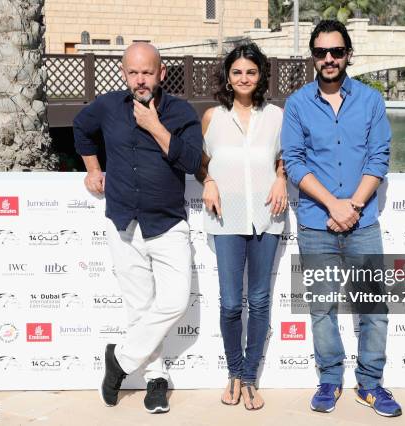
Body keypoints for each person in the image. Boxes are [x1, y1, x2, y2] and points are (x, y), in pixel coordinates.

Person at [281, 20, 402, 417]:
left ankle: (371, 385)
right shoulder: (298, 104)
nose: (328, 59)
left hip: (362, 224)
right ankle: (329, 380)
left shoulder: (370, 100)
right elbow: (295, 163)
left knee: (373, 307)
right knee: (321, 308)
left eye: (335, 51)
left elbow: (378, 158)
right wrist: (333, 204)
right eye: (320, 52)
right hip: (316, 225)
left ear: (348, 53)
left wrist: (351, 206)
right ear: (313, 57)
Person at [73, 42, 203, 414]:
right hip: (123, 222)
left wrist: (155, 127)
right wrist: (93, 169)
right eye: (133, 72)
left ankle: (120, 360)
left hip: (167, 223)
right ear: (124, 73)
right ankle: (155, 381)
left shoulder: (180, 111)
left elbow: (194, 161)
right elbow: (81, 129)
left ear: (161, 73)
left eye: (147, 72)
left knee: (174, 301)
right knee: (140, 307)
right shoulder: (108, 106)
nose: (140, 79)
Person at [195, 43, 287, 410]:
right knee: (232, 303)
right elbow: (202, 163)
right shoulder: (212, 117)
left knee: (260, 300)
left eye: (251, 71)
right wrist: (208, 180)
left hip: (267, 216)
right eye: (237, 72)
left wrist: (282, 177)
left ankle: (250, 378)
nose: (244, 78)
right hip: (226, 220)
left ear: (261, 75)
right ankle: (233, 372)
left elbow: (287, 158)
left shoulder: (278, 117)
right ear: (228, 77)